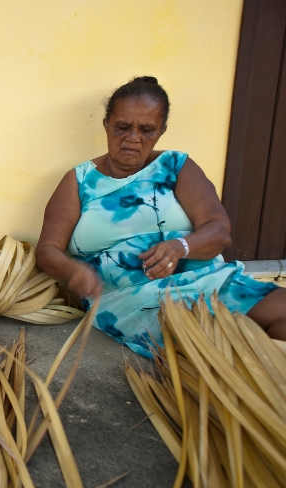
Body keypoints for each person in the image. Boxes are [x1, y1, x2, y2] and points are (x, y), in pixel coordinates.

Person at [36, 76, 286, 358]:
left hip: (206, 279)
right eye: (122, 127)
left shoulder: (177, 166)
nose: (133, 138)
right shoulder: (80, 180)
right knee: (221, 343)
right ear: (106, 123)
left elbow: (219, 231)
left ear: (161, 130)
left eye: (147, 129)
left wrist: (181, 247)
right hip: (131, 300)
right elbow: (47, 251)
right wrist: (71, 271)